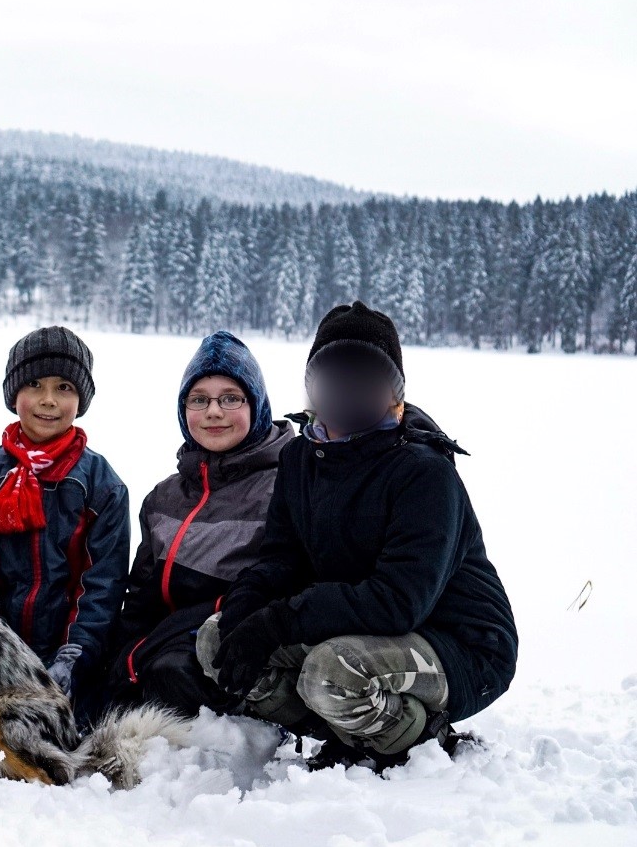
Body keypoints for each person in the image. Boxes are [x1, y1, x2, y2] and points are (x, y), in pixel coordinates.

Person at [196, 302, 518, 771]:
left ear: (393, 392)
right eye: (331, 377)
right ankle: (346, 736)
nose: (346, 391)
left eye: (364, 378)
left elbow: (398, 601)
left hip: (460, 645)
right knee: (215, 639)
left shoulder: (422, 473)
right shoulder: (301, 460)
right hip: (364, 629)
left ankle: (418, 738)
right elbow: (281, 560)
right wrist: (247, 610)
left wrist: (279, 622)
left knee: (333, 671)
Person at [106, 331, 293, 718]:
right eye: (199, 399)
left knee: (168, 674)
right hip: (162, 650)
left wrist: (161, 644)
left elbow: (281, 585)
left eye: (230, 398)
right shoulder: (165, 497)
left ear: (256, 405)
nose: (213, 411)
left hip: (233, 653)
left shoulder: (285, 486)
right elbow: (140, 599)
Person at [0, 326, 128, 722]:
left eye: (64, 387)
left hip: (76, 663)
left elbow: (102, 586)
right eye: (34, 384)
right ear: (14, 393)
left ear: (81, 398)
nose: (48, 400)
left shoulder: (103, 488)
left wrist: (73, 658)